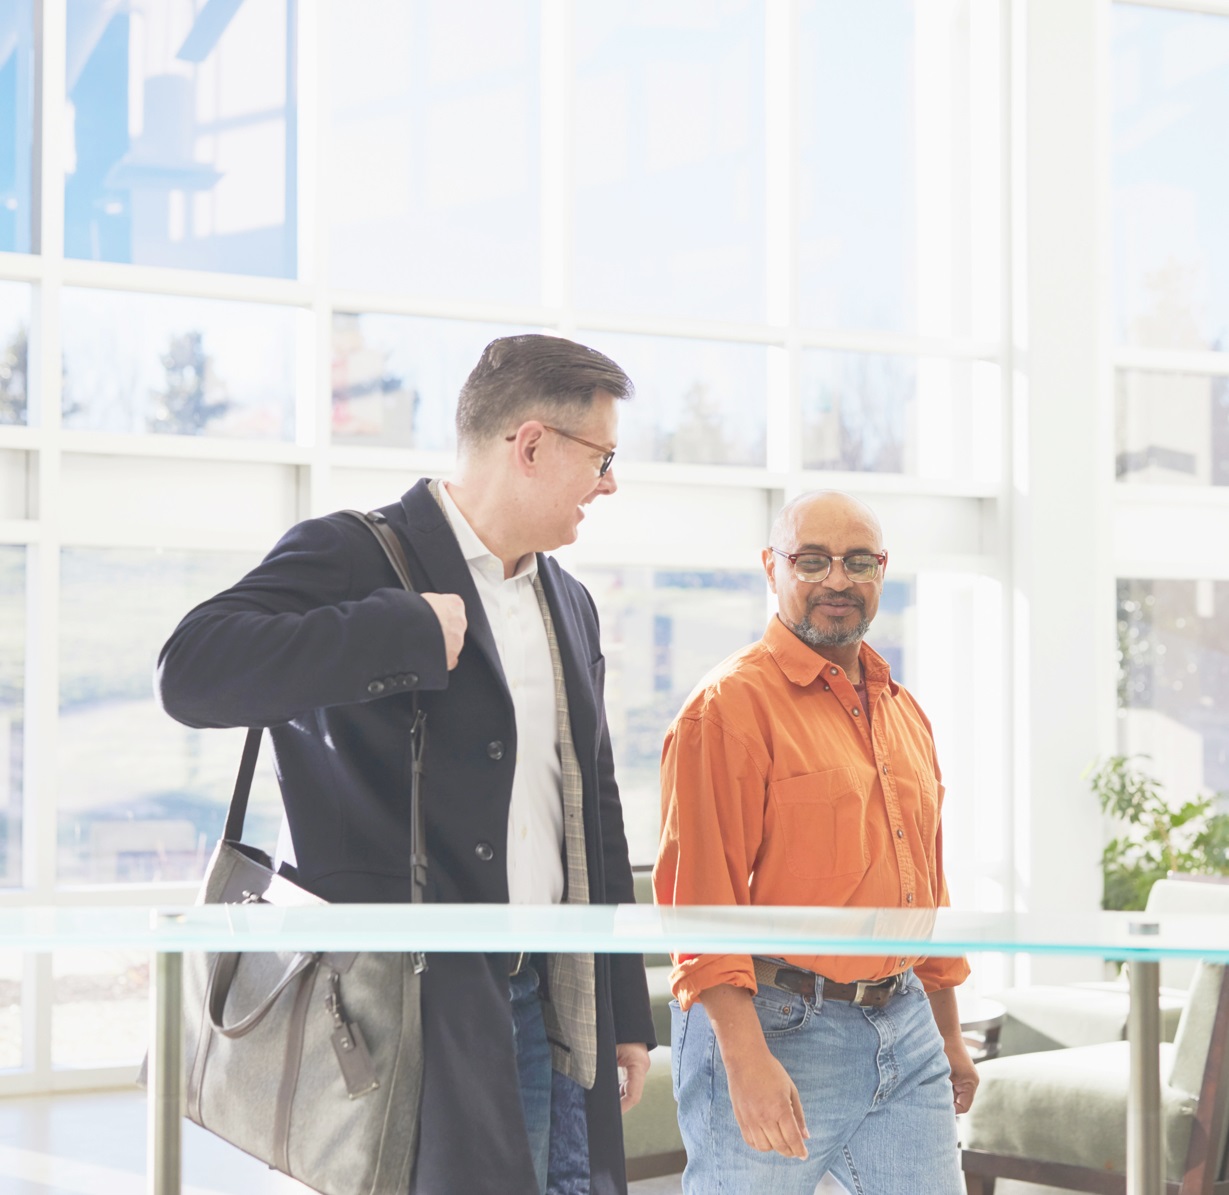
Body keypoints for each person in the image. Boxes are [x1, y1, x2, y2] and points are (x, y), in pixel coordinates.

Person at [157, 334, 656, 1195]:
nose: (608, 483)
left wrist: (620, 1008)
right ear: (531, 444)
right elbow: (190, 671)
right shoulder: (354, 553)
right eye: (601, 457)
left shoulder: (569, 601)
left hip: (546, 997)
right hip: (403, 1008)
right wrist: (400, 630)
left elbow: (591, 807)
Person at [653, 490, 978, 1195]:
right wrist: (744, 1062)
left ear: (881, 571)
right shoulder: (727, 707)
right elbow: (699, 903)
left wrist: (947, 1031)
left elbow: (924, 885)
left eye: (857, 561)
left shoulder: (902, 710)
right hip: (776, 1027)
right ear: (771, 567)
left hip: (906, 1025)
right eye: (811, 560)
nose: (837, 579)